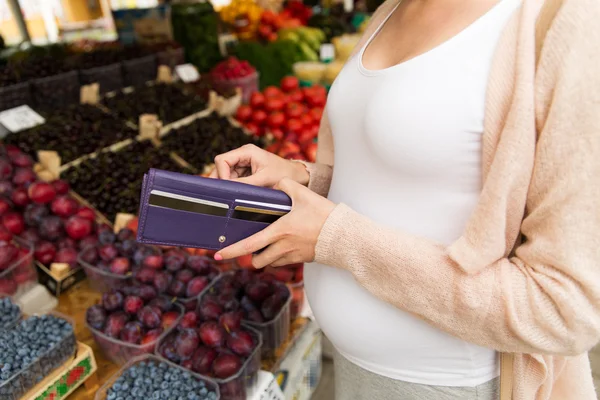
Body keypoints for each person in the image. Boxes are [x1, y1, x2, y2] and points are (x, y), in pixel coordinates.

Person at [209, 0, 600, 398]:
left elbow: (563, 309)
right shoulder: (393, 9)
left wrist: (338, 238)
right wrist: (304, 179)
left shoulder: (561, 19)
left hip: (445, 384)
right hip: (354, 367)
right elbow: (405, 185)